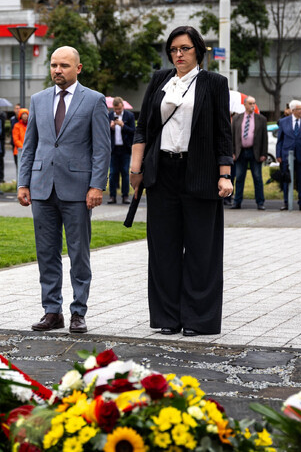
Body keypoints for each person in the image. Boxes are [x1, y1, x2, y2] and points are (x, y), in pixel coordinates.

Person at [129, 26, 233, 337]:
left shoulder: (214, 83)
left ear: (198, 51)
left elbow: (223, 134)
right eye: (174, 49)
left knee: (202, 251)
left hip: (199, 173)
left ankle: (199, 320)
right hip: (163, 175)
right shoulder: (160, 80)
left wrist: (224, 174)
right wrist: (136, 171)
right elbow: (143, 128)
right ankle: (168, 318)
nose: (178, 54)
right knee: (163, 250)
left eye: (185, 49)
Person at [17, 46, 111, 334]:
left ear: (78, 68)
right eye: (54, 65)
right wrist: (23, 182)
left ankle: (78, 312)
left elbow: (101, 148)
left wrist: (97, 185)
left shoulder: (94, 101)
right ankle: (52, 311)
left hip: (78, 190)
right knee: (46, 253)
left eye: (65, 66)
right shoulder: (38, 100)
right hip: (42, 187)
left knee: (79, 253)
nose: (58, 70)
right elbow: (30, 144)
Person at [276, 99, 301, 211]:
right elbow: (280, 140)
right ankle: (286, 202)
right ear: (293, 110)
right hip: (286, 155)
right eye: (299, 109)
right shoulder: (283, 122)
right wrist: (278, 154)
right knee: (286, 179)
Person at [230, 96, 268, 210]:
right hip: (240, 152)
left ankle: (260, 202)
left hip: (254, 151)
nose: (252, 106)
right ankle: (237, 202)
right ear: (245, 105)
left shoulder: (261, 119)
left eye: (254, 103)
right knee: (239, 177)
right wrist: (232, 152)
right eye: (250, 103)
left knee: (257, 178)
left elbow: (264, 138)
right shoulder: (237, 118)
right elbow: (232, 137)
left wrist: (264, 154)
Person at [107, 97, 135, 204]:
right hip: (113, 149)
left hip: (125, 149)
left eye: (118, 109)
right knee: (113, 173)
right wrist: (111, 127)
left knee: (125, 173)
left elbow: (133, 131)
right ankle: (112, 196)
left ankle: (125, 196)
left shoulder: (129, 116)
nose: (117, 111)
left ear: (122, 107)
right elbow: (104, 132)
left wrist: (123, 126)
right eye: (115, 109)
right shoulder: (109, 116)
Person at [12, 108, 29, 172]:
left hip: (28, 150)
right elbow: (16, 139)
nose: (25, 116)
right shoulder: (17, 126)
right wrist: (23, 147)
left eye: (26, 114)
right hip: (19, 151)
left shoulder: (30, 125)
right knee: (20, 169)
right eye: (23, 114)